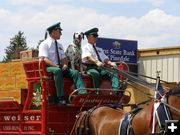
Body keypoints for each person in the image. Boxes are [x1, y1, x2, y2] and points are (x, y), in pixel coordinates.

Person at [39, 22, 87, 105]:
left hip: (59, 67)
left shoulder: (60, 45)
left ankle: (83, 94)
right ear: (53, 32)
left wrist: (65, 65)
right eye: (59, 31)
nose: (61, 34)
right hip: (48, 68)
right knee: (58, 71)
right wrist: (57, 66)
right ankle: (61, 97)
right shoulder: (44, 44)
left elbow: (64, 58)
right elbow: (44, 59)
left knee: (75, 72)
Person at [82, 28, 121, 94]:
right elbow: (88, 57)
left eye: (96, 36)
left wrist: (110, 63)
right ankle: (97, 91)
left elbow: (105, 59)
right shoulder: (85, 47)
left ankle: (115, 90)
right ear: (88, 37)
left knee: (113, 71)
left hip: (101, 67)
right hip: (90, 68)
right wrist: (96, 62)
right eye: (94, 36)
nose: (96, 37)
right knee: (95, 74)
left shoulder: (99, 49)